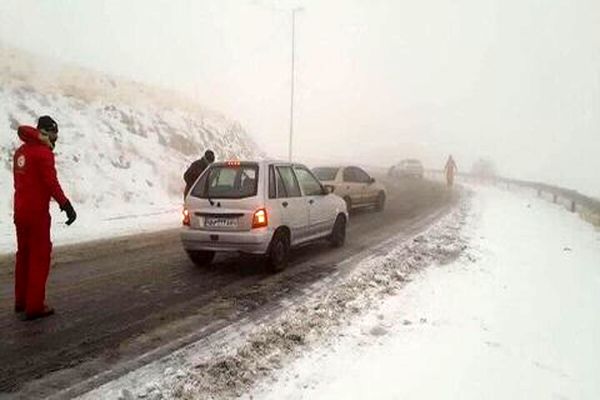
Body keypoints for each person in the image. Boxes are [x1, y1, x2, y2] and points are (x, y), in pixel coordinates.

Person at [13, 116, 77, 320]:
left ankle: (21, 301)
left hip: (20, 212)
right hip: (36, 214)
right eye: (54, 134)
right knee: (39, 257)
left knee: (23, 255)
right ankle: (35, 306)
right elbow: (51, 183)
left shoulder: (20, 152)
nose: (55, 139)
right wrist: (66, 205)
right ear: (46, 132)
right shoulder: (43, 153)